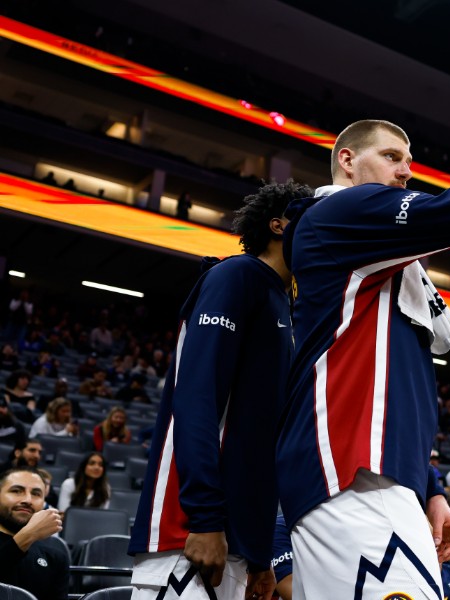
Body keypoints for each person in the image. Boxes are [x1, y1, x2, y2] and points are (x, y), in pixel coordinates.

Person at [274, 17, 450, 599]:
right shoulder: (340, 216)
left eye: (409, 159)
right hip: (344, 477)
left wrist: (428, 487)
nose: (407, 170)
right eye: (392, 156)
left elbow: (391, 389)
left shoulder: (385, 264)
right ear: (347, 161)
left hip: (380, 481)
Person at [128, 180, 308, 600]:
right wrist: (205, 520)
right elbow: (195, 401)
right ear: (280, 226)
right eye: (314, 223)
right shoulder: (236, 275)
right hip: (189, 532)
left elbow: (263, 440)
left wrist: (260, 554)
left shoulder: (285, 305)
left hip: (236, 545)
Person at [0, 467, 68, 599]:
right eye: (16, 491)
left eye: (36, 494)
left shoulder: (55, 555)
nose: (27, 500)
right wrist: (28, 535)